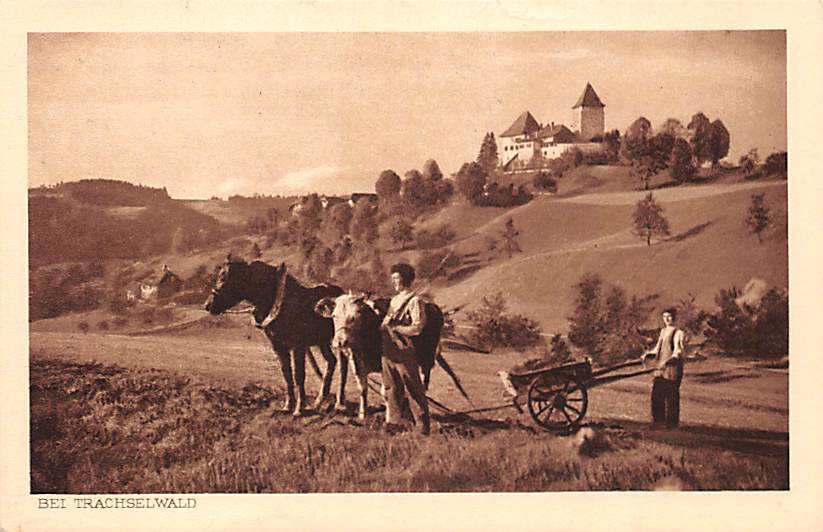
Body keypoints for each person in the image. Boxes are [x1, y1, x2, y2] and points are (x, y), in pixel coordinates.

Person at [380, 263, 430, 436]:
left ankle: (422, 427)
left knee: (413, 387)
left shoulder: (415, 301)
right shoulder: (394, 300)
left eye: (397, 278)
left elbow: (418, 328)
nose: (393, 282)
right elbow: (385, 324)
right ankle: (396, 424)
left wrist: (398, 328)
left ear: (405, 279)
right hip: (389, 350)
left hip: (405, 350)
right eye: (392, 278)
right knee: (390, 388)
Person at [642, 308, 686, 429]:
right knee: (656, 394)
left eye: (669, 317)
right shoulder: (663, 331)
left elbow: (678, 351)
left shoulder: (678, 333)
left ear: (674, 318)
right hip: (660, 367)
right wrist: (647, 354)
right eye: (664, 316)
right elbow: (658, 349)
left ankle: (672, 424)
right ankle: (658, 422)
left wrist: (668, 361)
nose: (666, 319)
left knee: (671, 396)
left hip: (672, 368)